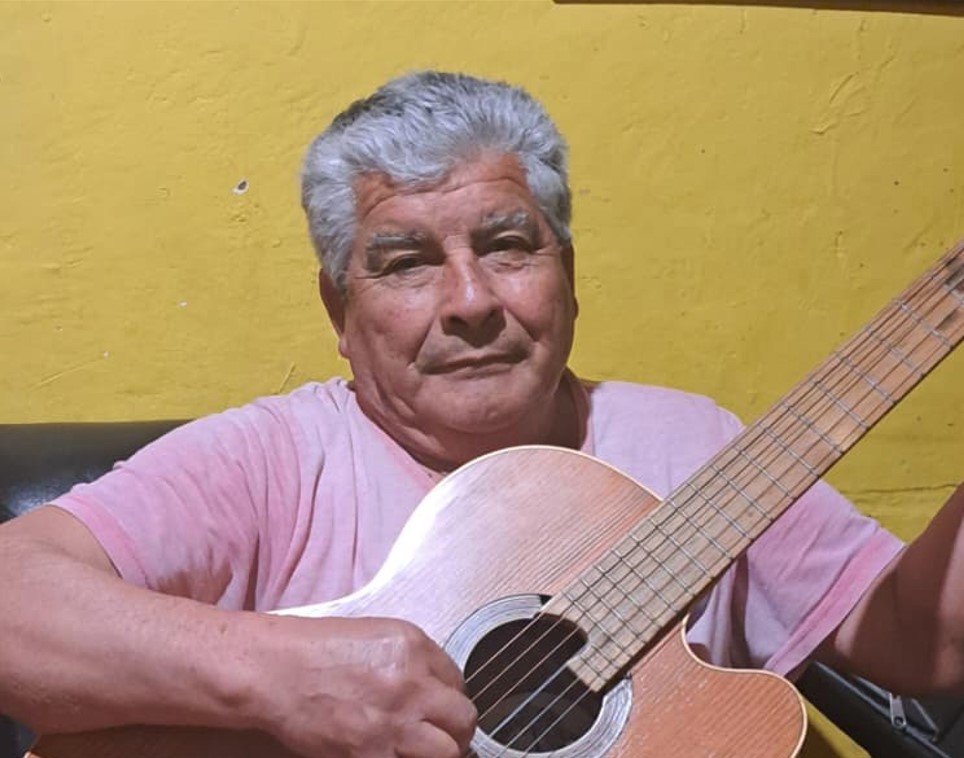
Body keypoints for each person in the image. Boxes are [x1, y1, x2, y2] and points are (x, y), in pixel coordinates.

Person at [0, 70, 962, 758]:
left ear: (567, 278)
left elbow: (926, 645)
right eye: (406, 263)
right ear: (340, 312)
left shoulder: (696, 447)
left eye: (508, 246)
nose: (469, 301)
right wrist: (282, 675)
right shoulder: (272, 459)